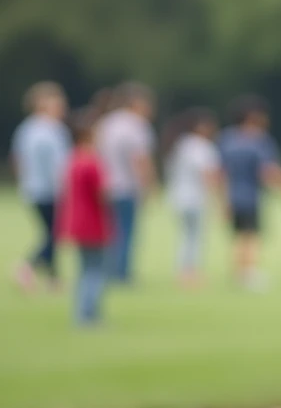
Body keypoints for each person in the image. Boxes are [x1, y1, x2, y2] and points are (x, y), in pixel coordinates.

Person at [218, 95, 281, 289]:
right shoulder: (259, 140)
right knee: (251, 236)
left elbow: (221, 172)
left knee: (238, 237)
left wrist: (221, 200)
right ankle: (249, 273)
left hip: (232, 196)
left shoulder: (227, 138)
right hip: (251, 197)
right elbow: (268, 171)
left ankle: (239, 273)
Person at [9, 82, 72, 293]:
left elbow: (18, 160)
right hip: (51, 190)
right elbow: (60, 166)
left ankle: (53, 279)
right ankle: (28, 266)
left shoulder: (26, 129)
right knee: (54, 234)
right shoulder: (53, 130)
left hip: (32, 189)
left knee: (50, 233)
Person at [95, 82, 157, 284]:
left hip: (105, 186)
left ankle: (107, 270)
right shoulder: (136, 125)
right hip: (127, 187)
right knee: (127, 232)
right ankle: (121, 273)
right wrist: (148, 185)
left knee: (110, 232)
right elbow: (139, 159)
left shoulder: (106, 123)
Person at [57, 108, 112, 326]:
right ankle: (88, 314)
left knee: (84, 269)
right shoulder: (92, 161)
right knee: (96, 270)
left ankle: (81, 312)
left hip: (76, 221)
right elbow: (102, 194)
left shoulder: (72, 159)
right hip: (93, 222)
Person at [163, 108, 222, 287]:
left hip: (177, 197)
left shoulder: (180, 145)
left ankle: (184, 271)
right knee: (194, 237)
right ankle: (189, 273)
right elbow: (208, 175)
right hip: (195, 198)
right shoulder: (201, 146)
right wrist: (218, 199)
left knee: (186, 236)